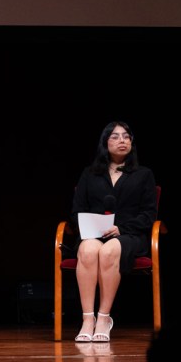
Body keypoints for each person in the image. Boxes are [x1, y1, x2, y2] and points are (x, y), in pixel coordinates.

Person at [64, 121, 157, 342]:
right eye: (115, 137)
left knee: (109, 251)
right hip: (94, 233)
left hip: (130, 235)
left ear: (132, 143)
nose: (122, 140)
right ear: (105, 143)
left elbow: (149, 214)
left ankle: (104, 318)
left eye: (126, 136)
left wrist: (121, 228)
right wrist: (91, 226)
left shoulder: (143, 174)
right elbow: (77, 211)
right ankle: (88, 319)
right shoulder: (90, 174)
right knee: (87, 250)